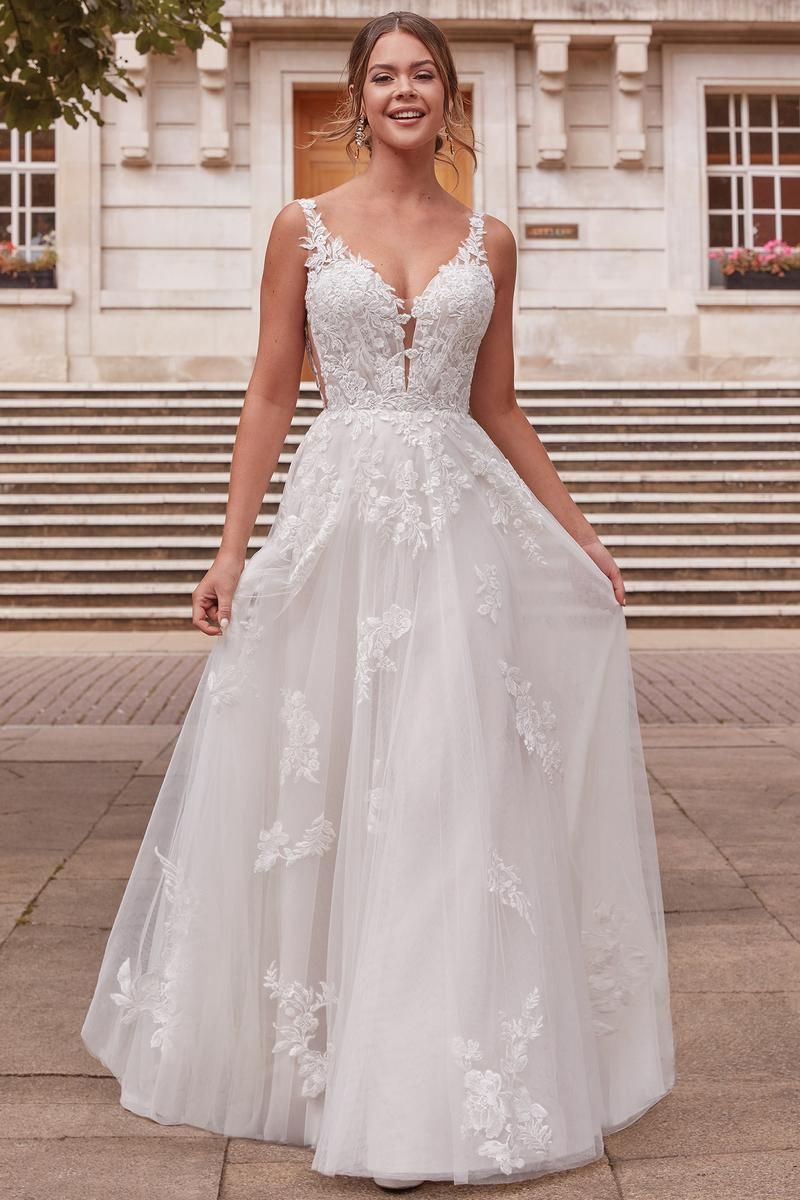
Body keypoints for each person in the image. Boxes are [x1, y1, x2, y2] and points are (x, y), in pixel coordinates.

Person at [81, 9, 675, 1192]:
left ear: (451, 101)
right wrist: (228, 552)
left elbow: (496, 407)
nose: (404, 91)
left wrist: (581, 534)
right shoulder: (299, 228)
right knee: (327, 776)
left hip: (459, 534)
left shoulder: (491, 242)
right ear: (357, 98)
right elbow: (265, 392)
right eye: (384, 76)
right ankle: (326, 1062)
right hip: (338, 524)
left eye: (424, 77)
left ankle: (429, 1079)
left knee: (452, 782)